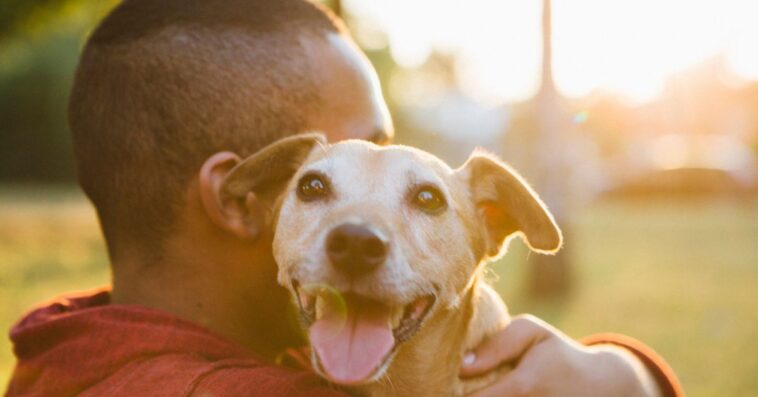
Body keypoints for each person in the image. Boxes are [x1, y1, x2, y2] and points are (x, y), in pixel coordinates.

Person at [4, 1, 682, 396]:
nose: (363, 228)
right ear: (245, 198)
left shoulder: (69, 351)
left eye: (418, 194)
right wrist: (624, 379)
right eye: (324, 181)